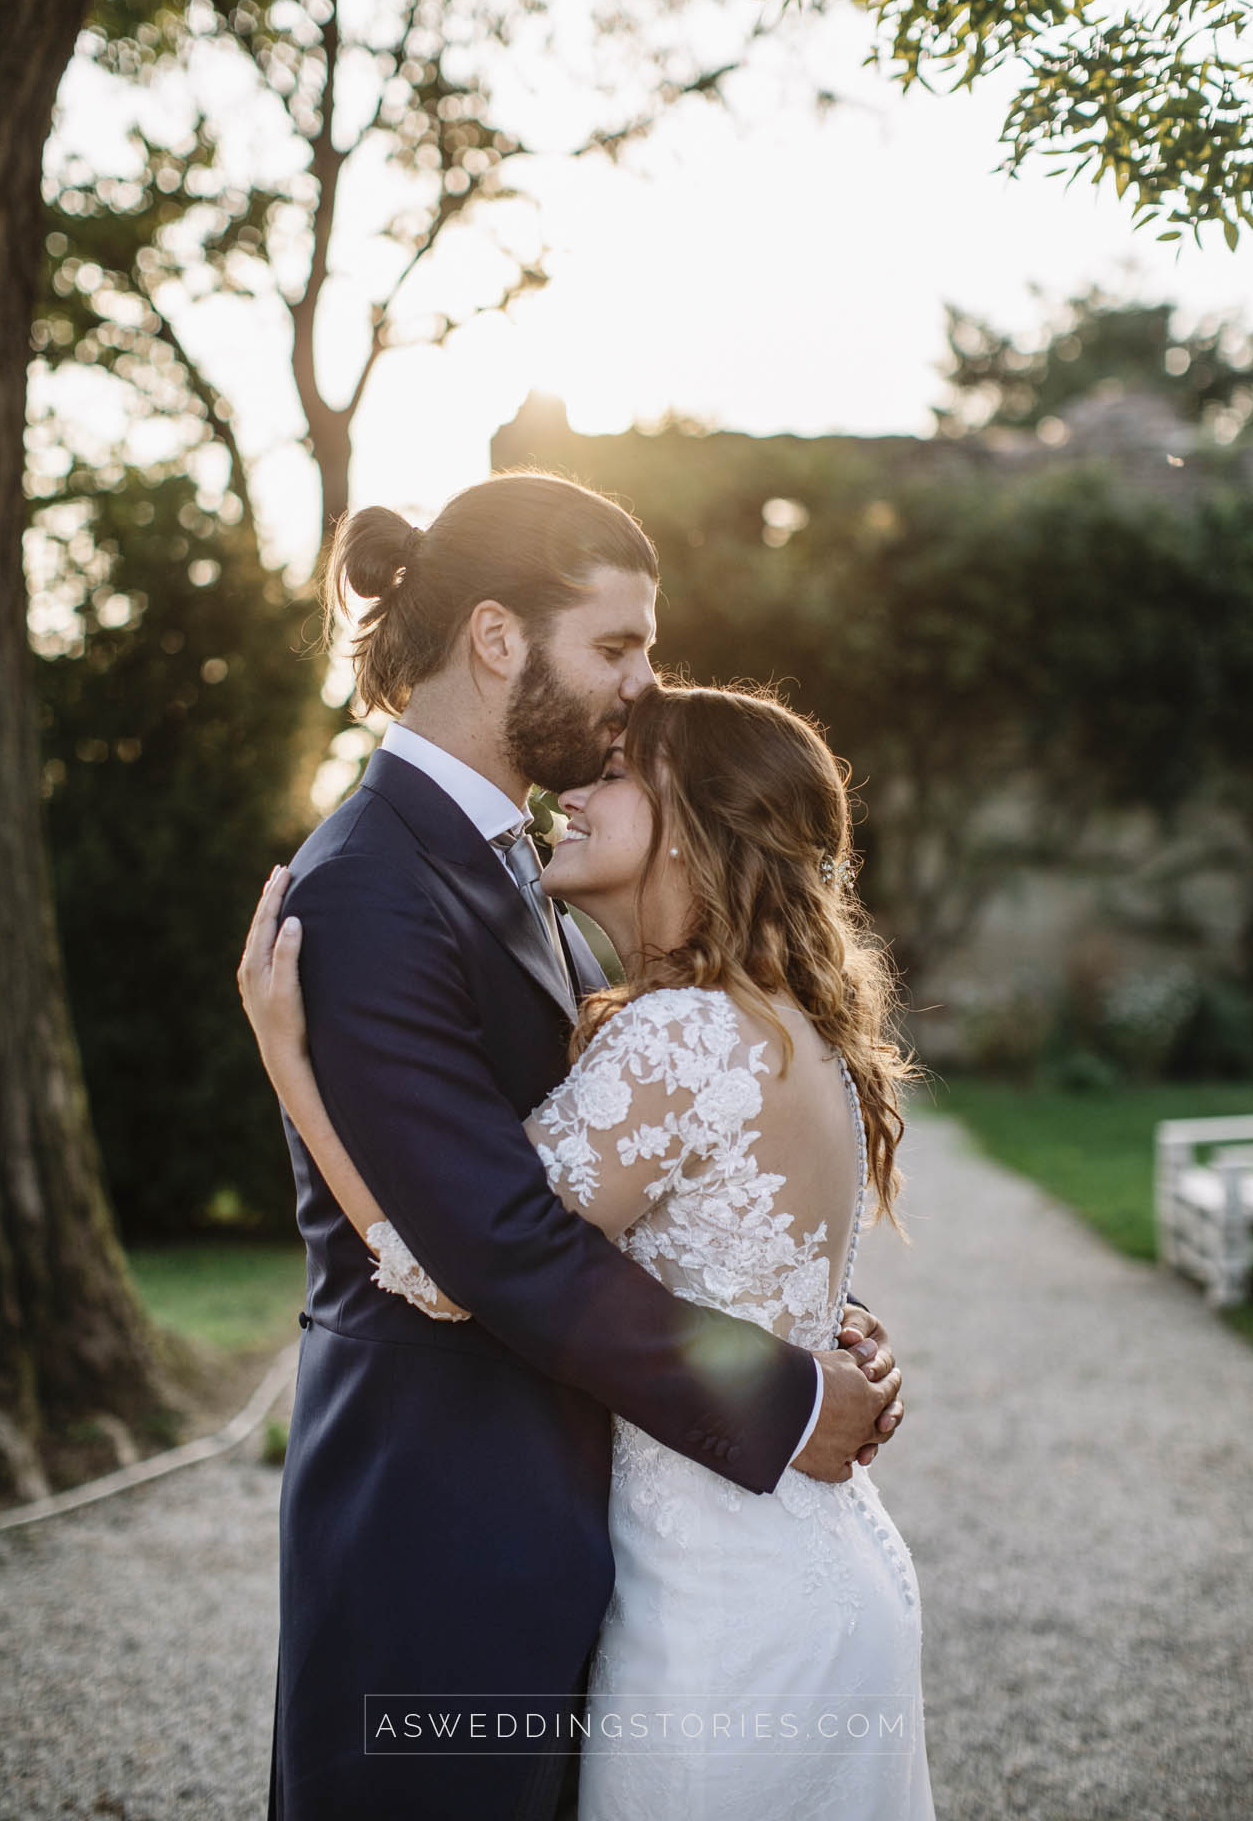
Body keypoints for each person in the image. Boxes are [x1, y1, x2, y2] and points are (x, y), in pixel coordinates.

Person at [243, 476, 906, 1821]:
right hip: (442, 1518)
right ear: (497, 637)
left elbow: (635, 1187)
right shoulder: (374, 884)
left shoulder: (507, 862)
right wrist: (774, 1392)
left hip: (571, 1513)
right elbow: (494, 1243)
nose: (641, 688)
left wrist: (797, 1309)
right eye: (617, 648)